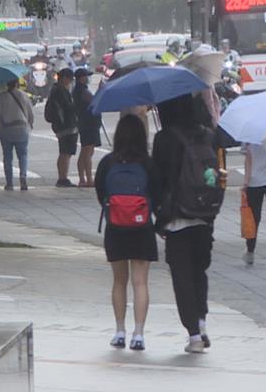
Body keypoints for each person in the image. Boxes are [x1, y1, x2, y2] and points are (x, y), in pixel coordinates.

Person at [153, 94, 222, 352]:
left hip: (177, 218)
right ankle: (202, 322)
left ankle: (193, 334)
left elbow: (157, 180)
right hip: (205, 215)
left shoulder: (165, 138)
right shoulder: (208, 135)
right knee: (199, 272)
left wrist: (158, 216)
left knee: (181, 277)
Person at [95, 115, 161, 352]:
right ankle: (139, 334)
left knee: (119, 281)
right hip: (142, 227)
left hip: (115, 227)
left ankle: (119, 330)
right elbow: (158, 193)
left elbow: (100, 192)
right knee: (140, 282)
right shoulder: (147, 163)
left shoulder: (108, 163)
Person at [0, 80, 34, 191]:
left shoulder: (2, 97)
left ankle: (9, 183)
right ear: (17, 84)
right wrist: (30, 124)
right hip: (21, 128)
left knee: (7, 157)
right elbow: (30, 113)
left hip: (6, 130)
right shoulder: (24, 95)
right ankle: (23, 176)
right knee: (22, 155)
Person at [46, 68, 78, 187]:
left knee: (65, 152)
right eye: (70, 79)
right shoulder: (60, 91)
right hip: (65, 126)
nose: (70, 82)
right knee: (65, 152)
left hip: (62, 125)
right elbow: (67, 107)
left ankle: (63, 177)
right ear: (64, 78)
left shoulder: (57, 90)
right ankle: (62, 178)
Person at [73, 68, 100, 187]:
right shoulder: (82, 91)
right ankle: (88, 179)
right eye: (86, 76)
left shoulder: (79, 90)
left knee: (87, 150)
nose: (87, 79)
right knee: (87, 151)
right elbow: (95, 101)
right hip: (88, 124)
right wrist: (101, 89)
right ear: (81, 78)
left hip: (87, 123)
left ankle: (83, 178)